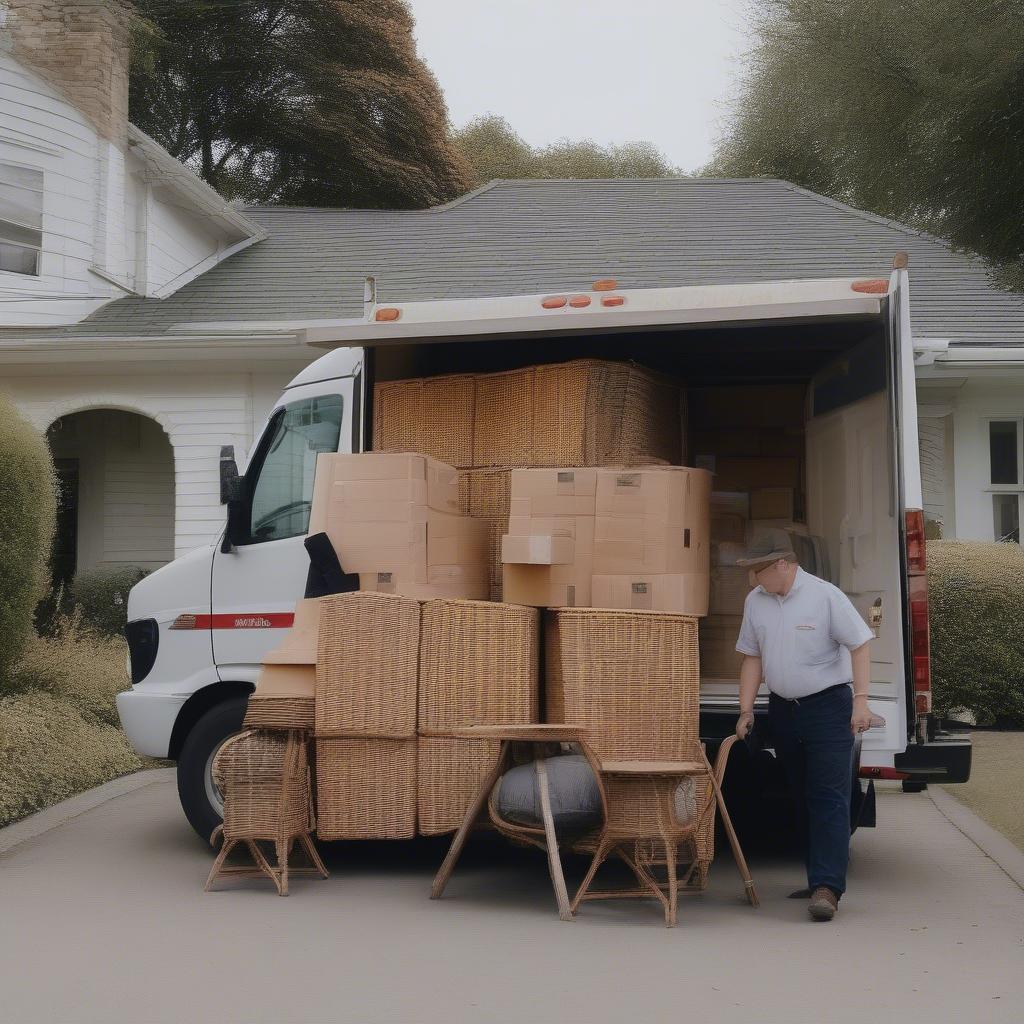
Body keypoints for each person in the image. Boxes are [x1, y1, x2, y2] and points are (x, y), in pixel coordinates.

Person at [733, 537, 873, 922]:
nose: (751, 579)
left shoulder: (825, 596)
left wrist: (861, 701)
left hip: (828, 707)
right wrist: (746, 710)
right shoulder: (756, 601)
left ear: (783, 564)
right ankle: (817, 880)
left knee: (829, 796)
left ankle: (828, 888)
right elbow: (752, 657)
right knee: (801, 794)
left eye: (757, 570)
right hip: (783, 710)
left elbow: (860, 645)